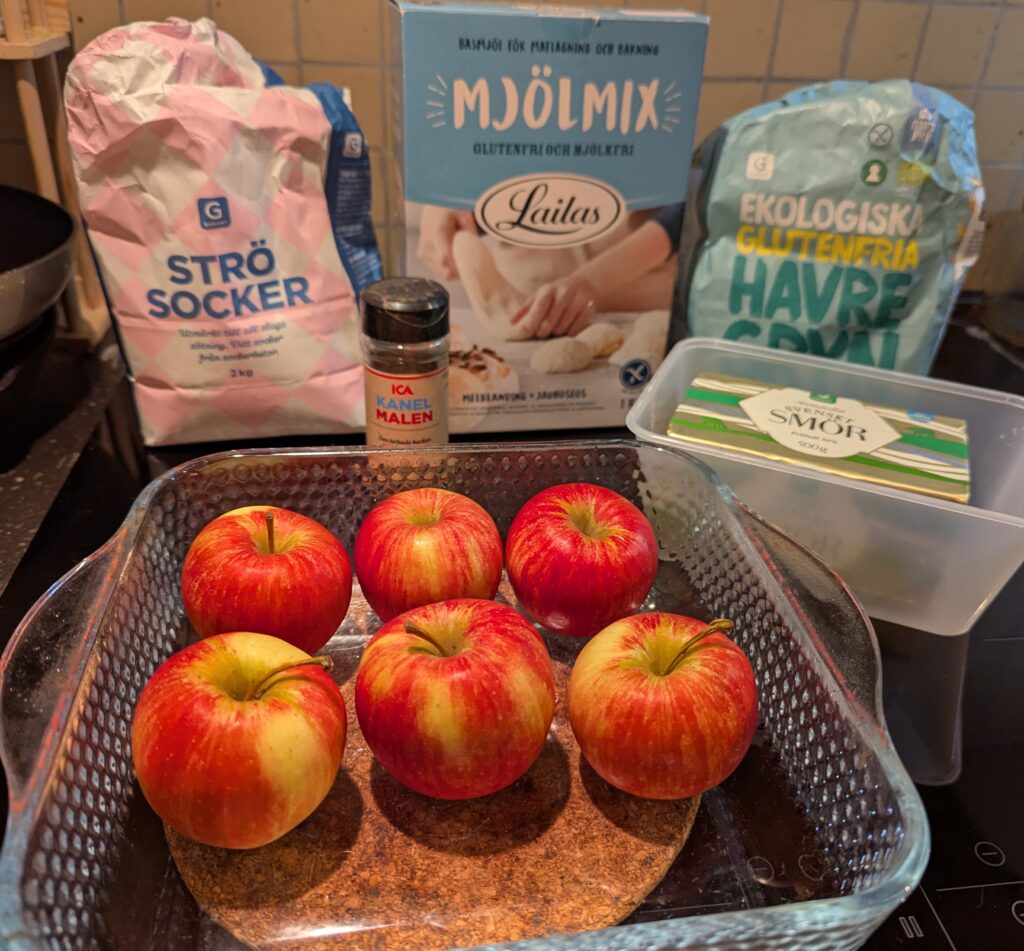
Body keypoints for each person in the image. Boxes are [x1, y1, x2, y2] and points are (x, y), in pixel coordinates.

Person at [416, 203, 682, 339]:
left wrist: (592, 281)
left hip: (641, 294)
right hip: (526, 302)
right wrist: (443, 202)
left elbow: (690, 201)